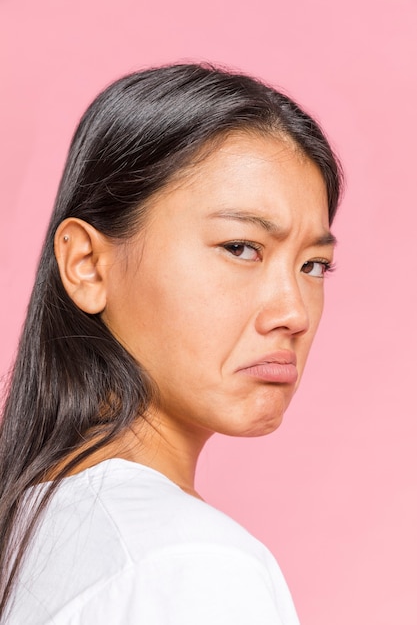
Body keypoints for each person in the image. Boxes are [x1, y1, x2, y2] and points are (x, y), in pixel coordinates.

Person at [0, 63, 342, 624]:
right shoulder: (190, 565)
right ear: (86, 264)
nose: (294, 313)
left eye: (313, 264)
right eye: (240, 247)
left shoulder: (34, 529)